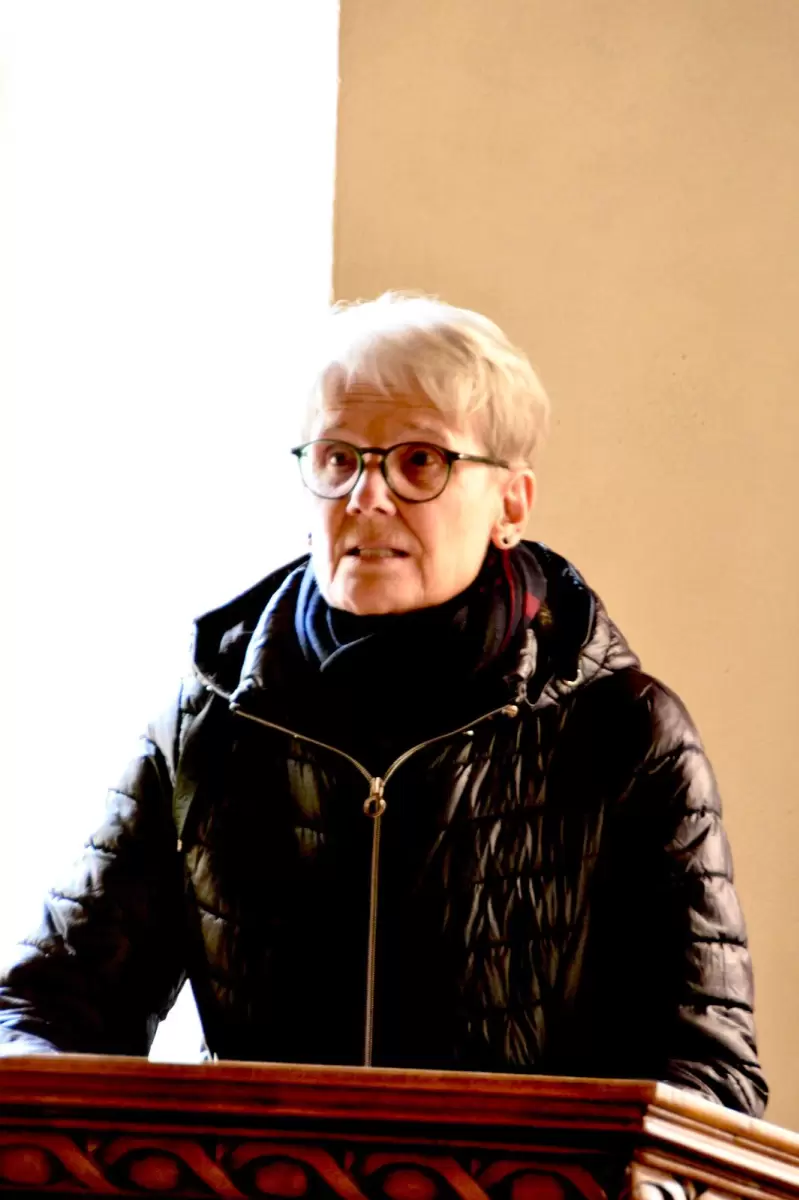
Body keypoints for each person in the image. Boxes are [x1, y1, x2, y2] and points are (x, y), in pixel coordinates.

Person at [0, 293, 767, 1116]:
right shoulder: (205, 725)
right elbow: (44, 1010)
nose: (366, 497)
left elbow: (709, 1078)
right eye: (338, 459)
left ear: (510, 503)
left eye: (419, 462)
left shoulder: (625, 734)